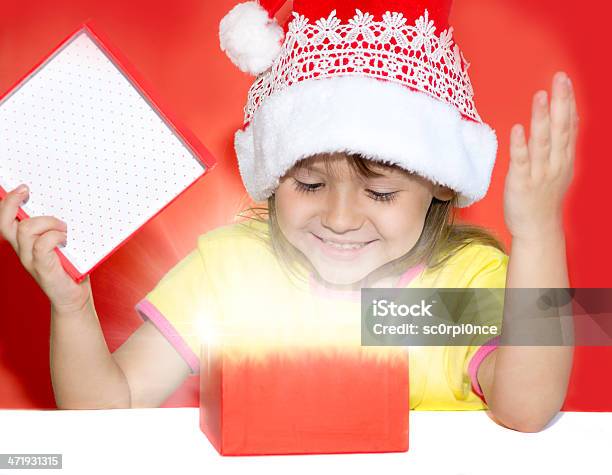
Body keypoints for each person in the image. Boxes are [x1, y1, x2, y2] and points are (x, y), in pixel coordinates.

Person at [0, 0, 578, 433]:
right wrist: (71, 307)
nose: (340, 217)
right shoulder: (229, 272)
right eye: (309, 184)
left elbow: (527, 410)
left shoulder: (462, 285)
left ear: (440, 189)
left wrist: (537, 232)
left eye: (379, 194)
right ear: (273, 177)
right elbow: (107, 410)